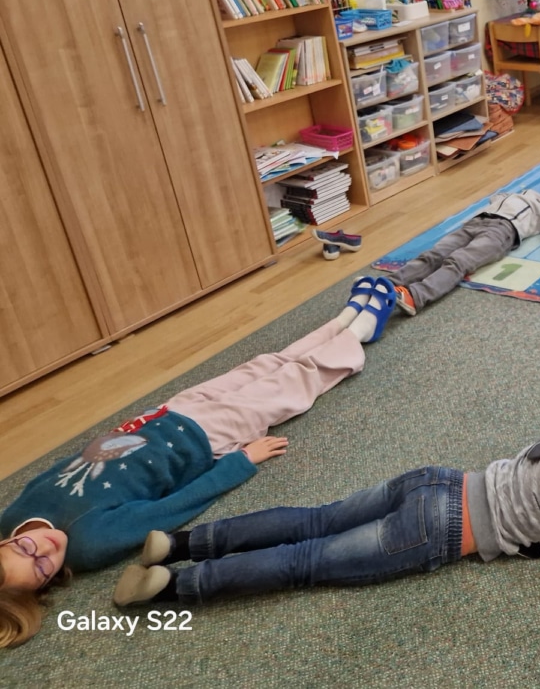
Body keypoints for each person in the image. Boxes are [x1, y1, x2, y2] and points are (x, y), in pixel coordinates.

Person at [0, 276, 399, 647]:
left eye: (26, 549)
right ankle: (359, 334)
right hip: (204, 440)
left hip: (164, 415)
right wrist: (241, 462)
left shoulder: (11, 517)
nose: (46, 551)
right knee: (290, 383)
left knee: (265, 365)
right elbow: (171, 509)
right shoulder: (89, 544)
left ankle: (343, 321)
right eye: (42, 570)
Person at [109, 366, 540, 607]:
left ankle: (179, 543)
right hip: (440, 527)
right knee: (308, 560)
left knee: (314, 518)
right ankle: (171, 588)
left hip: (435, 480)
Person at [389, 180, 540, 316]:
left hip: (502, 232)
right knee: (435, 254)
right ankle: (390, 283)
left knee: (459, 261)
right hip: (476, 222)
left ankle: (416, 296)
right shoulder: (525, 193)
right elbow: (498, 198)